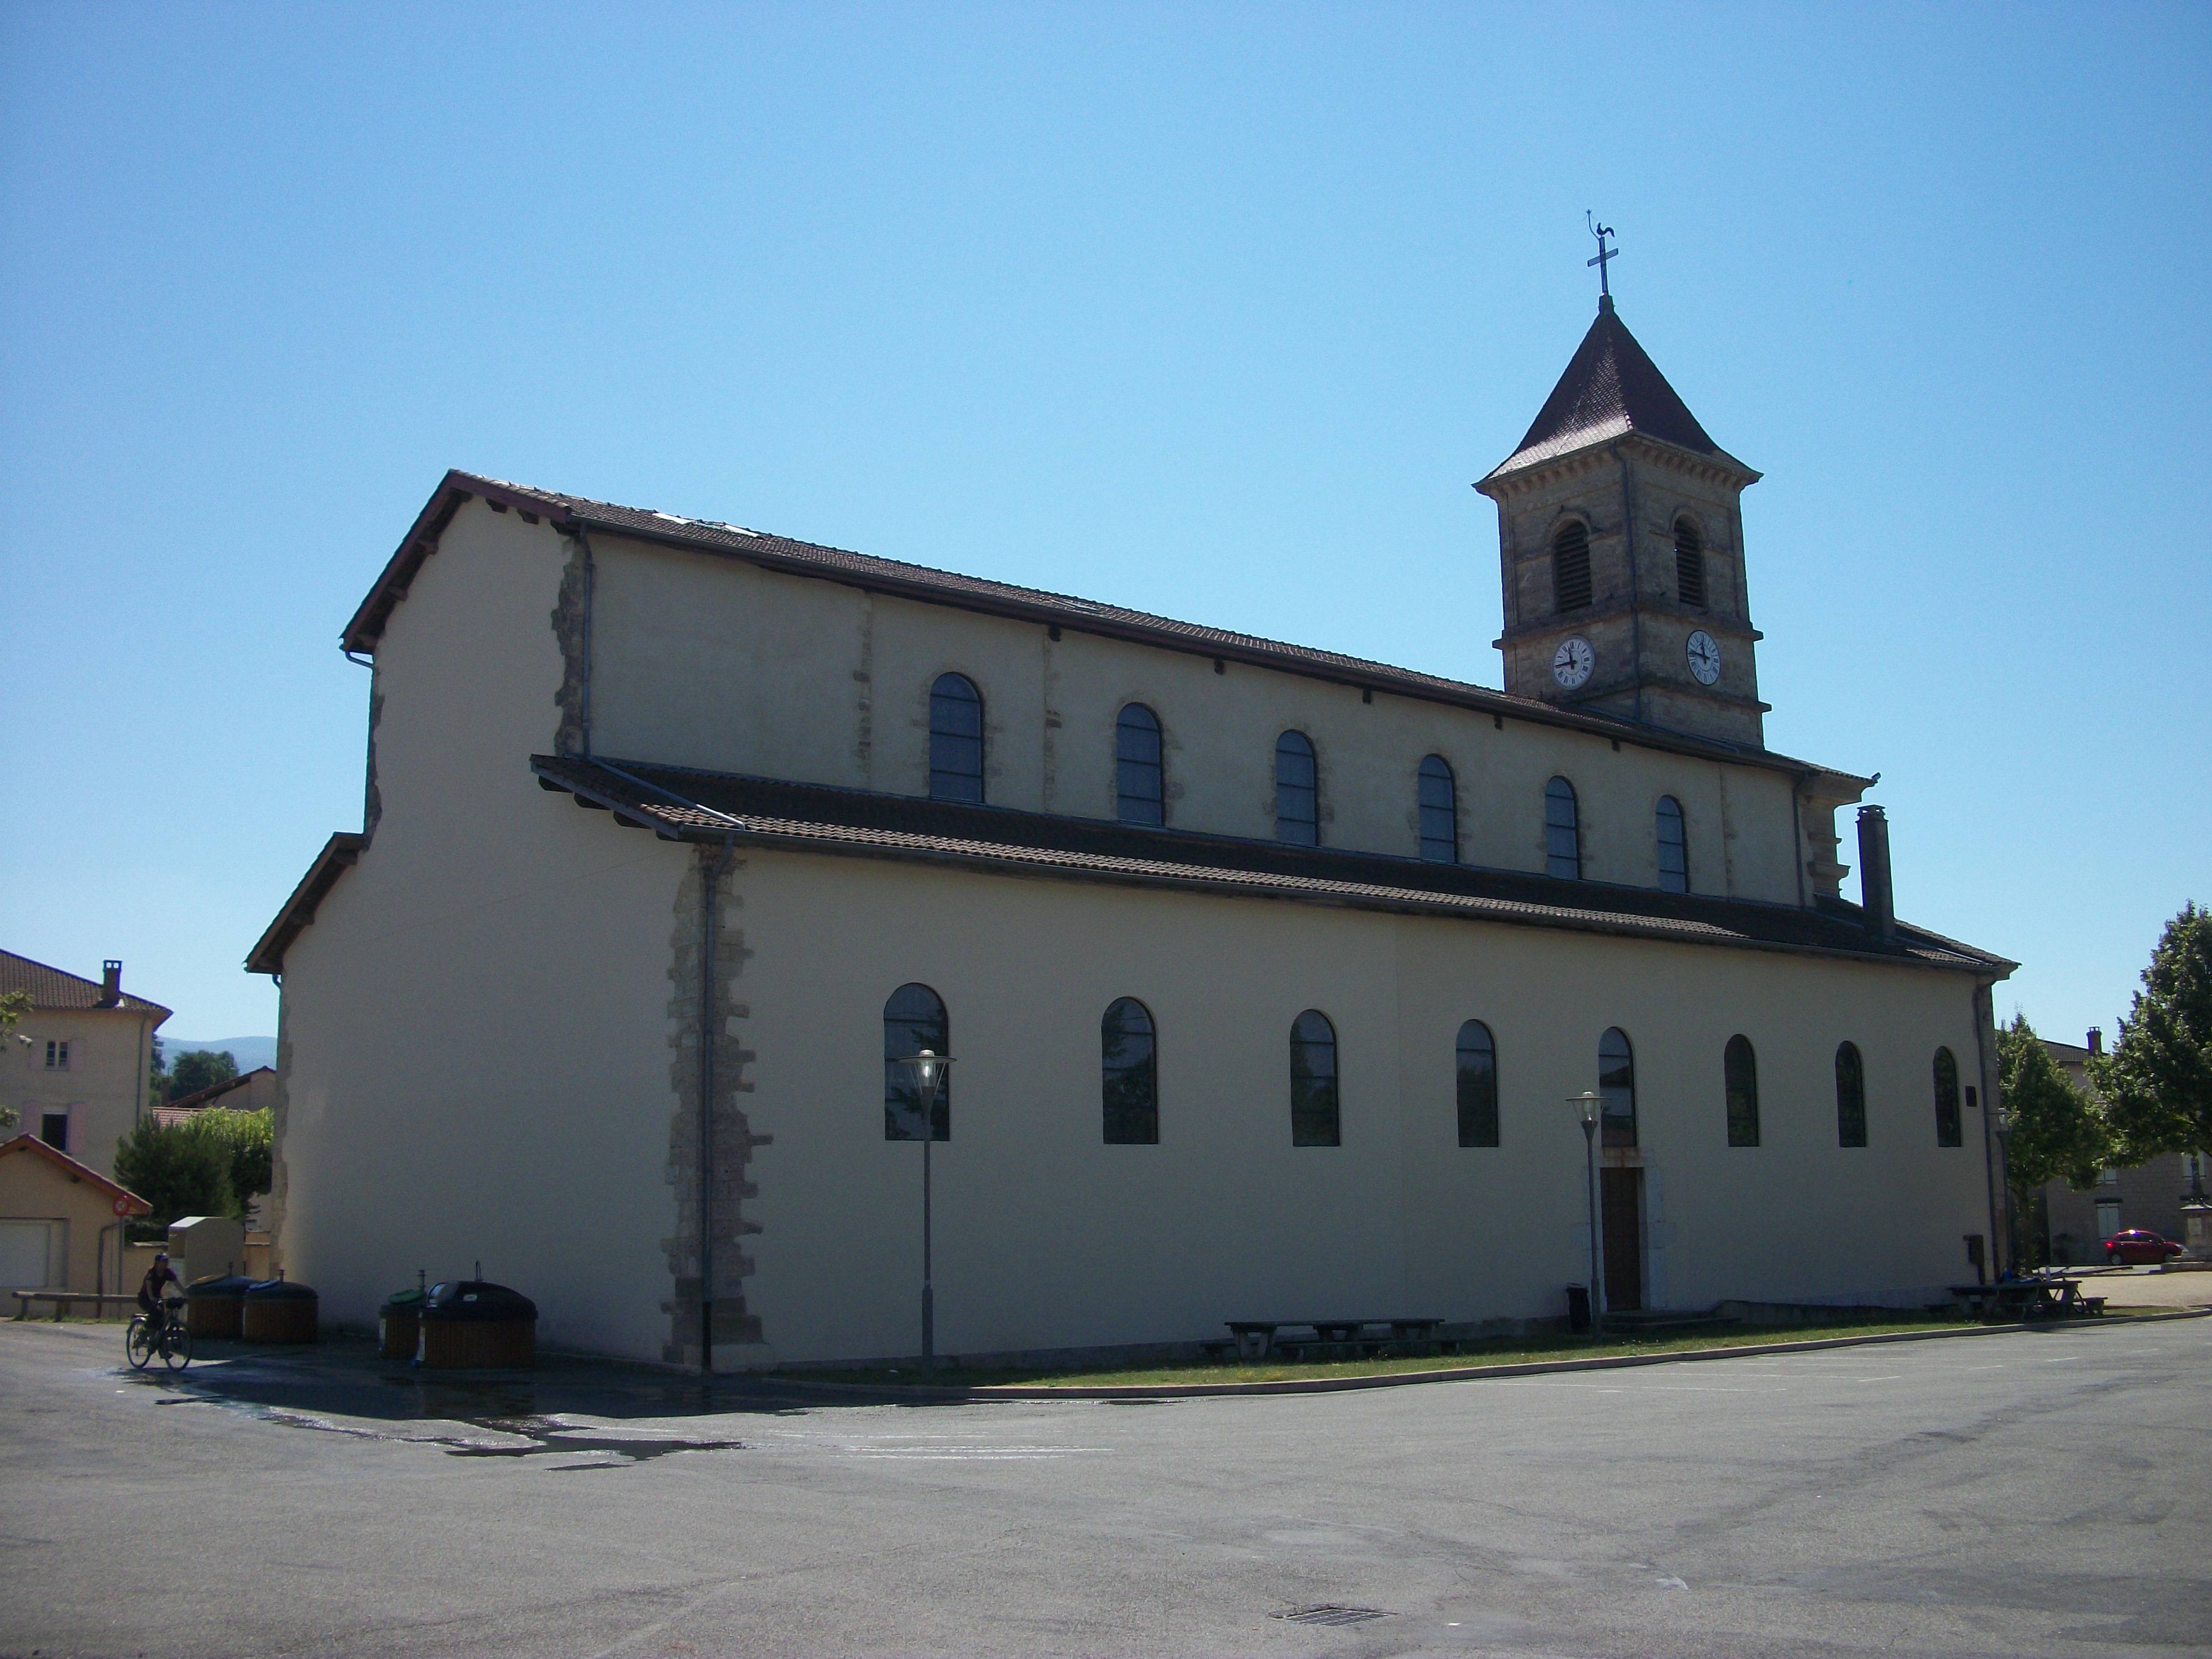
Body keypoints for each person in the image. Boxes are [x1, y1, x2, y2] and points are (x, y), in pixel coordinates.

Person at [137, 1251, 182, 1329]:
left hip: (158, 1297)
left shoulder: (168, 1272)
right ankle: (144, 1330)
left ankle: (158, 1336)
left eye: (167, 1261)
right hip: (145, 1298)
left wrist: (185, 1294)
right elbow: (149, 1287)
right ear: (157, 1262)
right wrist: (152, 1299)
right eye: (164, 1261)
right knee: (156, 1312)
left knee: (162, 1317)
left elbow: (177, 1284)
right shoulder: (152, 1272)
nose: (166, 1263)